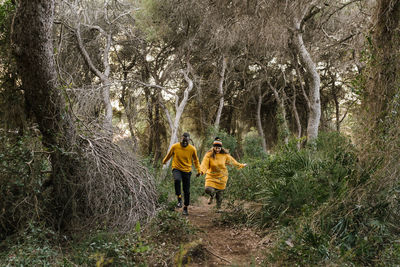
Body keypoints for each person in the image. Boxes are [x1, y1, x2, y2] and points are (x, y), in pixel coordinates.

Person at [200, 137, 247, 211]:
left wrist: (241, 165)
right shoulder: (209, 154)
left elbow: (233, 162)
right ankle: (212, 195)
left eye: (219, 148)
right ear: (213, 147)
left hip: (222, 177)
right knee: (207, 189)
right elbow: (204, 164)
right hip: (211, 176)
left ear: (221, 148)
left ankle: (218, 208)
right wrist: (201, 171)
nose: (217, 149)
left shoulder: (225, 155)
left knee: (220, 193)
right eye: (216, 147)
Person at [162, 132, 201, 216]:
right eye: (183, 141)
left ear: (189, 140)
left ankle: (185, 208)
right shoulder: (175, 147)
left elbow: (196, 160)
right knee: (177, 180)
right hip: (176, 168)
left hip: (187, 170)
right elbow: (169, 155)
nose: (185, 143)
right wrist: (164, 161)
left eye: (186, 141)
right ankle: (179, 199)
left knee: (186, 190)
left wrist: (199, 170)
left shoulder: (192, 149)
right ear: (181, 139)